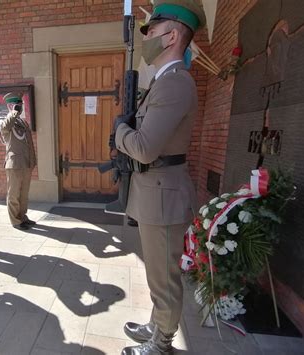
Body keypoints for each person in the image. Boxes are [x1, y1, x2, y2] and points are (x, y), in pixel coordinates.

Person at [113, 1, 205, 353]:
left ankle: (162, 343)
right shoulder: (164, 80)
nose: (147, 37)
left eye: (151, 30)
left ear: (171, 35)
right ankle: (157, 326)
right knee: (157, 272)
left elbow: (146, 147)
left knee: (164, 280)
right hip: (156, 192)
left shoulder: (174, 83)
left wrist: (120, 131)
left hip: (163, 195)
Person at [0, 92, 36, 231]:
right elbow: (6, 127)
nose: (19, 108)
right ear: (10, 106)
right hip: (14, 164)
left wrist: (33, 161)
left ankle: (22, 216)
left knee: (24, 194)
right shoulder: (4, 121)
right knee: (14, 194)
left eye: (20, 105)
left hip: (26, 163)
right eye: (16, 105)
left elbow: (29, 143)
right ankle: (15, 221)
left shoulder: (23, 122)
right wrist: (13, 112)